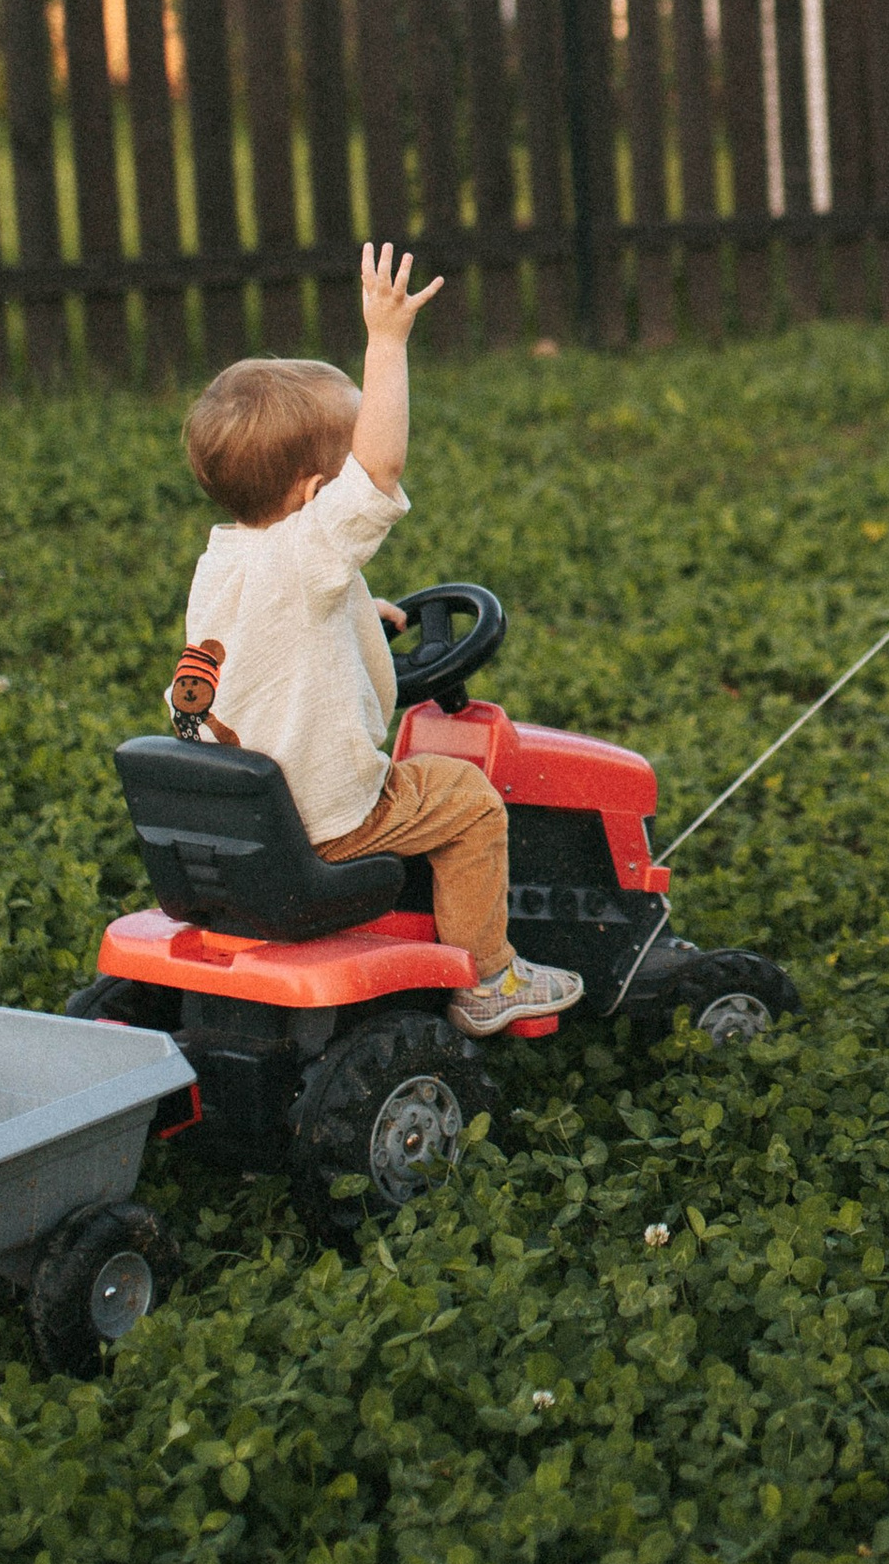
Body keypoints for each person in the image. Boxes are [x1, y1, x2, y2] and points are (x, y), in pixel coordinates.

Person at [175, 243, 583, 1033]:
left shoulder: (227, 560)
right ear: (316, 495)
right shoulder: (312, 551)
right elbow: (381, 468)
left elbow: (284, 621)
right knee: (466, 801)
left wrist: (367, 608)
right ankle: (490, 978)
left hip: (244, 821)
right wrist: (387, 343)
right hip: (325, 819)